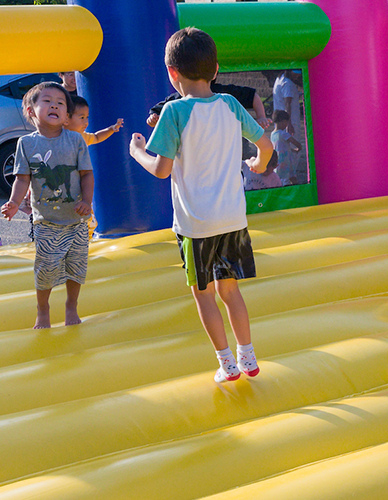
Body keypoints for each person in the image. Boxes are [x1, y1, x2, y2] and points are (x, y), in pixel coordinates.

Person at [129, 28, 274, 384]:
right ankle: (248, 356)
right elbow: (266, 144)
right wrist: (259, 164)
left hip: (196, 224)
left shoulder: (174, 111)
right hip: (233, 218)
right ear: (216, 69)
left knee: (204, 294)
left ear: (172, 72)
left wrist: (138, 152)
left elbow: (161, 170)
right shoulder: (230, 104)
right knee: (231, 290)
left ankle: (227, 364)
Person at [0, 82, 93, 330]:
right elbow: (22, 178)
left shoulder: (75, 140)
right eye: (47, 101)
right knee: (46, 267)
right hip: (46, 220)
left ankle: (71, 305)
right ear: (31, 111)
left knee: (76, 265)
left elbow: (86, 174)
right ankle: (43, 308)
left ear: (67, 116)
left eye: (60, 103)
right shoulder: (26, 144)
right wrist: (14, 202)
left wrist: (86, 201)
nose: (54, 106)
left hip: (76, 219)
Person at [270, 110, 307, 185]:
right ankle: (296, 189)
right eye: (286, 123)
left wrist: (292, 150)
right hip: (286, 161)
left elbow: (280, 147)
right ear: (283, 122)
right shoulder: (284, 134)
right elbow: (296, 143)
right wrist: (299, 148)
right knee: (291, 177)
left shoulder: (272, 134)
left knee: (278, 177)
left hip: (277, 160)